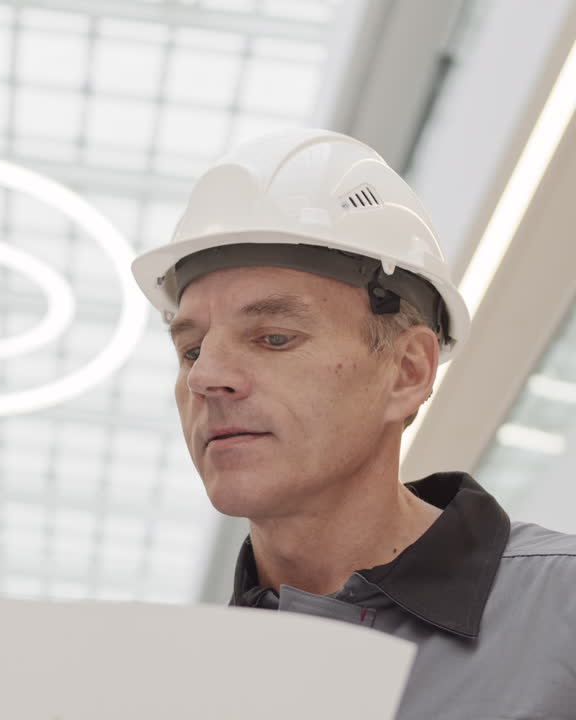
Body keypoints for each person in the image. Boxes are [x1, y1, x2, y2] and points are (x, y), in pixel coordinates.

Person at [131, 128, 576, 718]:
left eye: (274, 337)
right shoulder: (183, 690)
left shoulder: (560, 613)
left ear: (407, 371)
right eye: (190, 350)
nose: (205, 378)